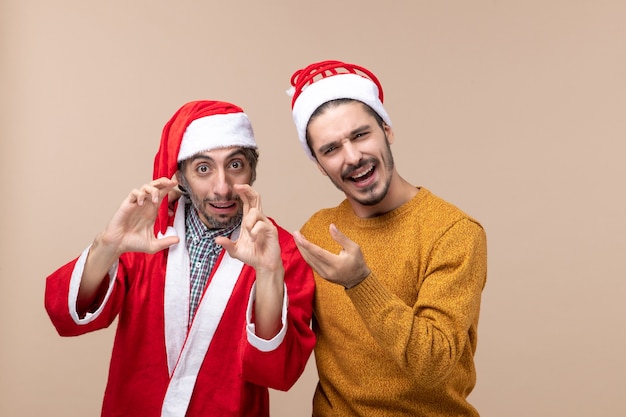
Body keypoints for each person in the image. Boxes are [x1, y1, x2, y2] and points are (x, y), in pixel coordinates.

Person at [44, 100, 316, 417]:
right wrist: (108, 244)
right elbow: (64, 315)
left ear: (252, 170)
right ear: (180, 177)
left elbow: (277, 373)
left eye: (235, 165)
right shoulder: (147, 235)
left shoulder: (281, 250)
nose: (222, 187)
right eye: (203, 169)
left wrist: (269, 272)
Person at [286, 60, 488, 416]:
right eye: (331, 149)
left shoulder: (453, 232)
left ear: (387, 130)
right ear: (319, 164)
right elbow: (281, 351)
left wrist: (360, 282)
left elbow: (432, 363)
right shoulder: (317, 231)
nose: (352, 156)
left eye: (361, 135)